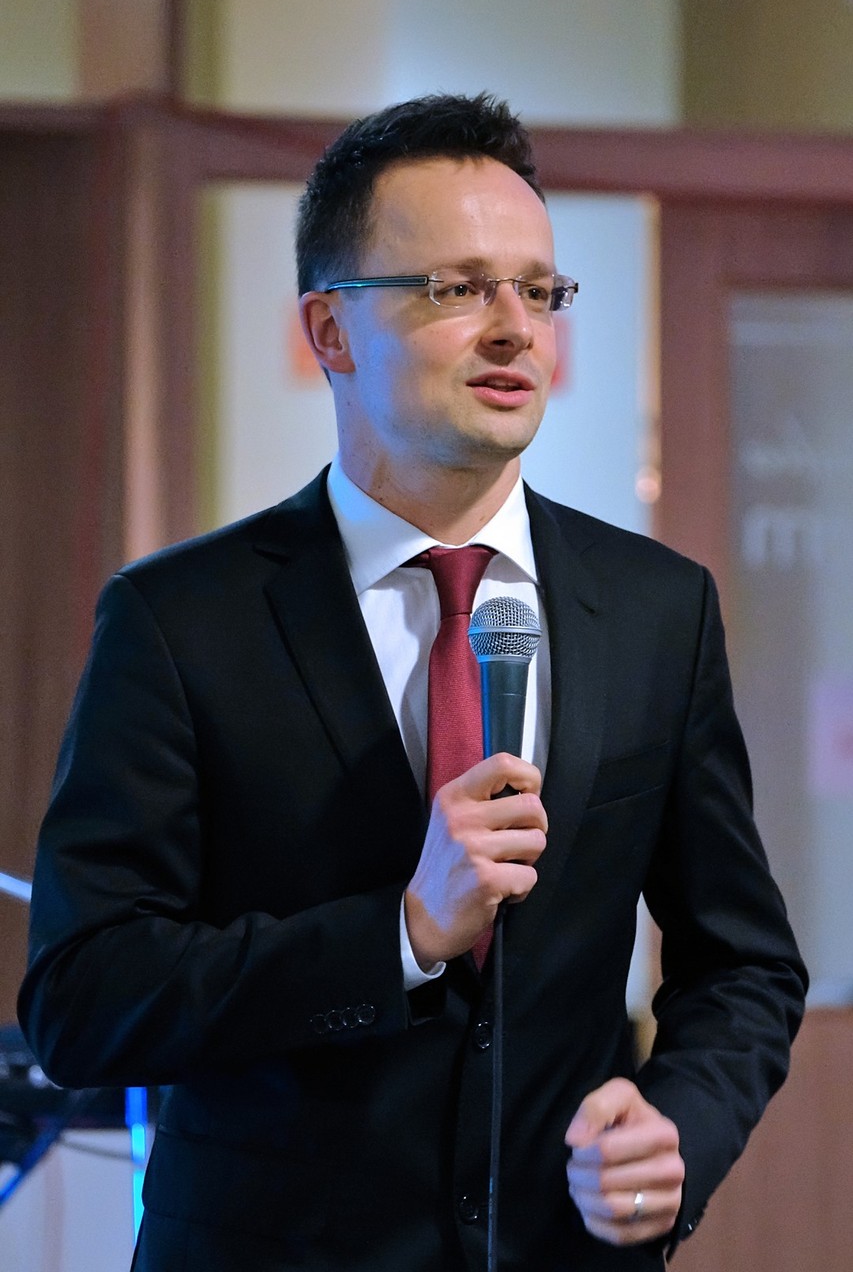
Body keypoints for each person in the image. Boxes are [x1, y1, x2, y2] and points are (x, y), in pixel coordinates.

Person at [19, 94, 806, 1271]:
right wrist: (398, 931)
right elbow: (83, 999)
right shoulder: (180, 619)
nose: (515, 328)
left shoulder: (657, 606)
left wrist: (678, 1123)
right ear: (330, 331)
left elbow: (741, 960)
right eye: (457, 287)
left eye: (538, 290)